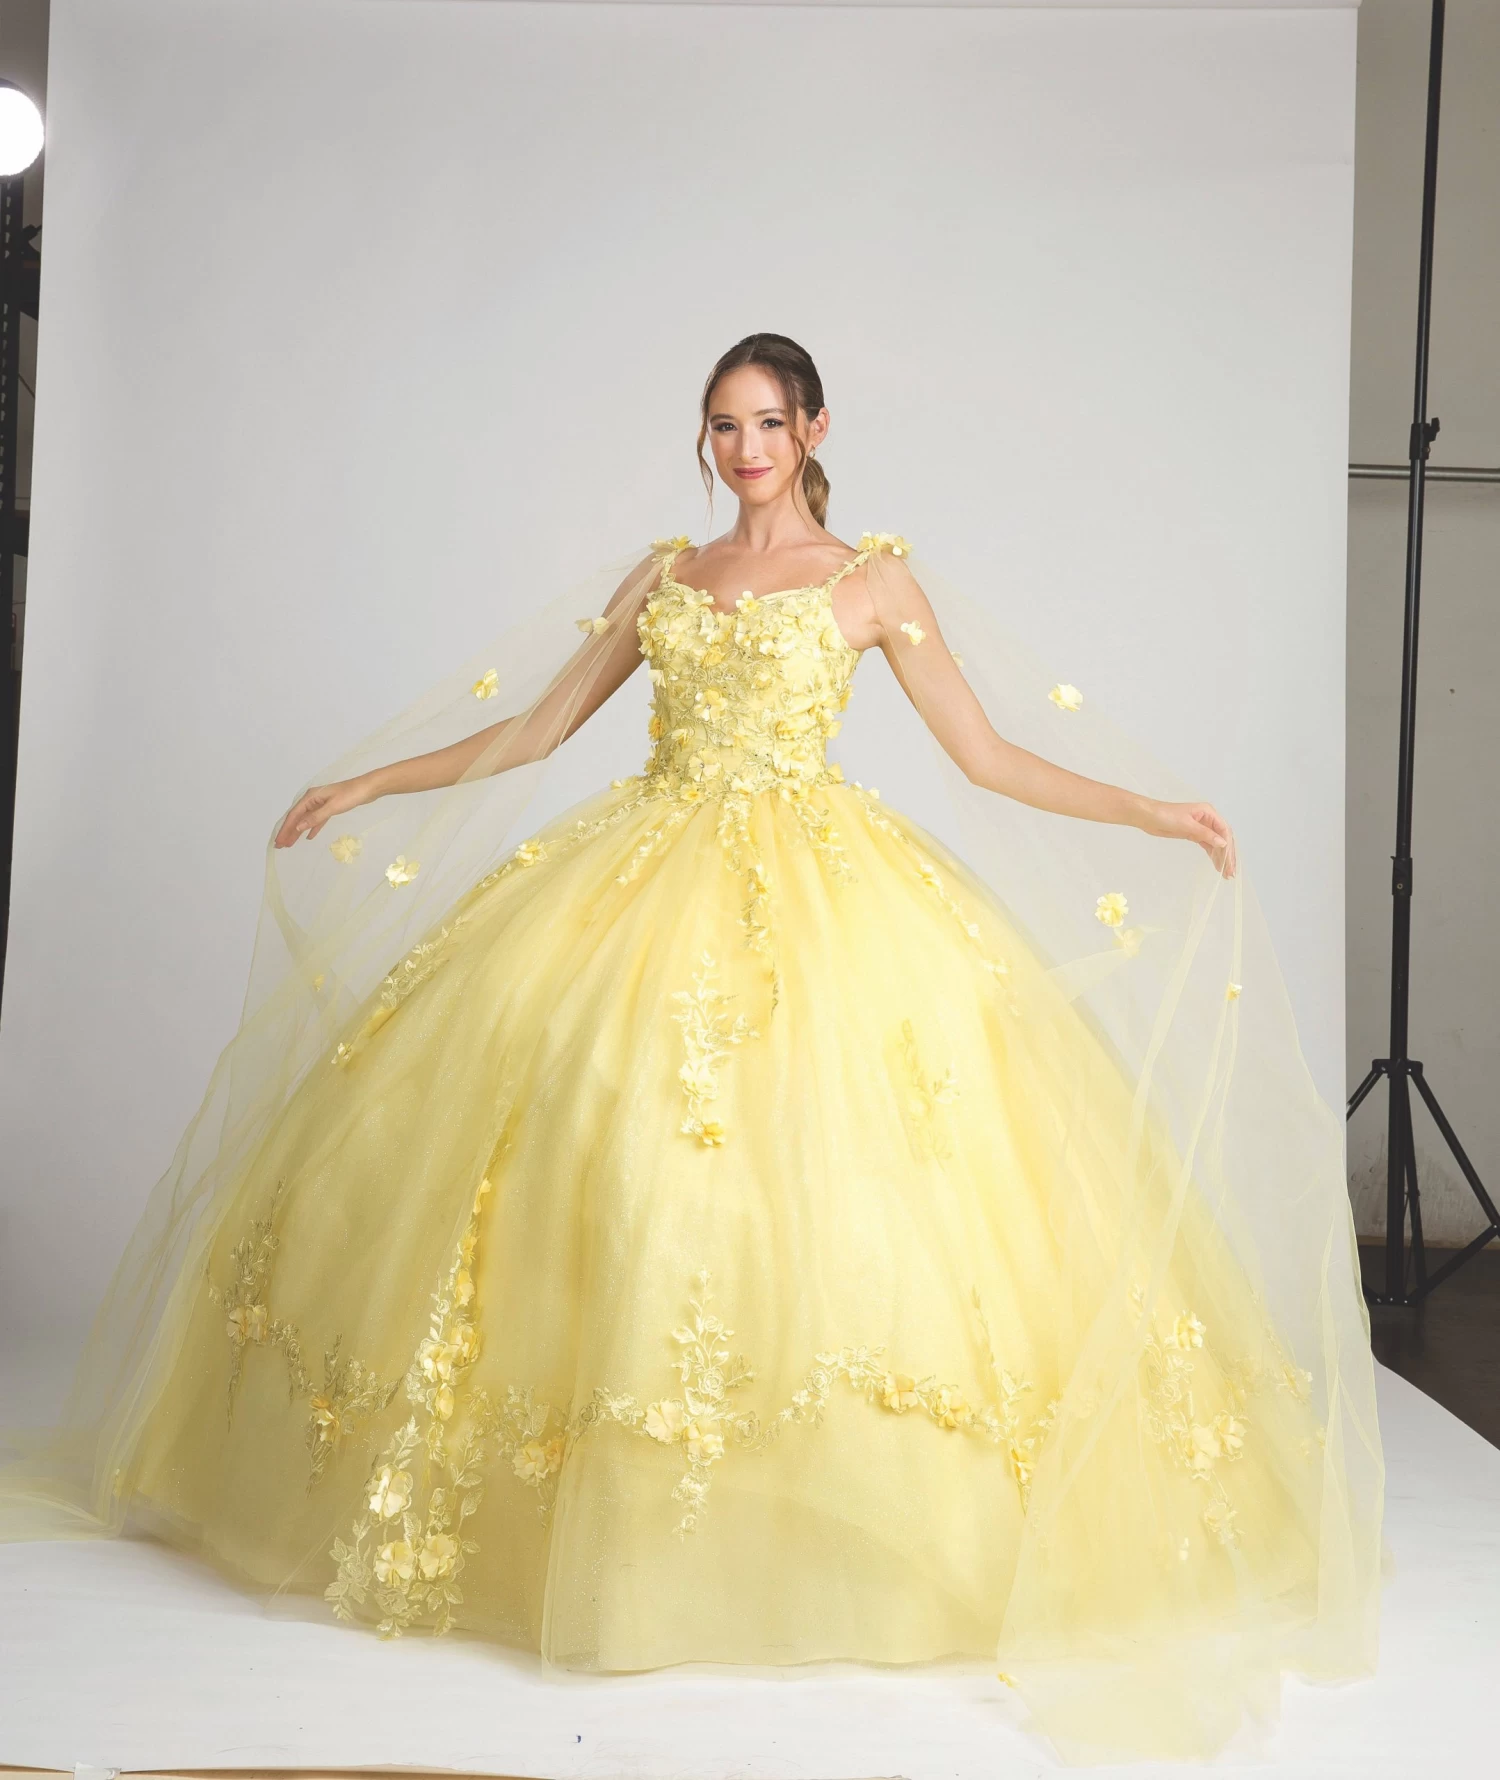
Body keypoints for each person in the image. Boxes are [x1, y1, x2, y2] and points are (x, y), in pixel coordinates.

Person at [2, 334, 1381, 1766]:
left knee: (837, 1176)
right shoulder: (664, 577)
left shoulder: (870, 584)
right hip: (638, 880)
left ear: (816, 429)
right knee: (603, 1148)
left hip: (827, 899)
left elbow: (987, 756)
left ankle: (834, 1521)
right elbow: (538, 730)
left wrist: (1153, 813)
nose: (744, 449)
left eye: (768, 423)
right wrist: (371, 782)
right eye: (723, 426)